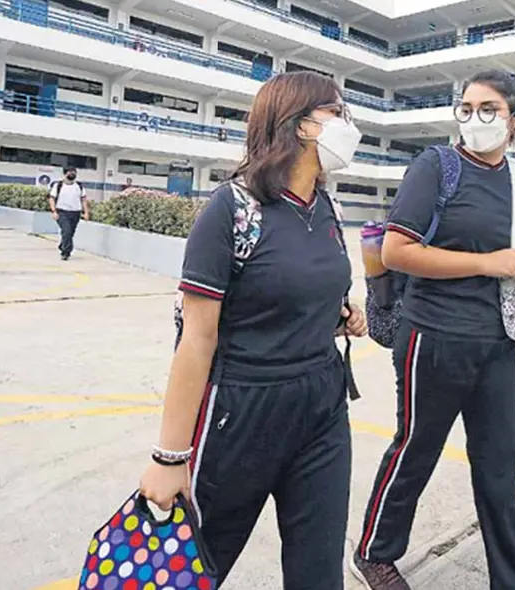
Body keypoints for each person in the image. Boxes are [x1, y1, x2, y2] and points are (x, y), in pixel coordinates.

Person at [139, 71, 368, 589]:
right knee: (194, 569)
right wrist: (168, 458)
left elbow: (299, 287)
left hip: (322, 406)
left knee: (319, 573)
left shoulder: (326, 207)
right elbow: (197, 337)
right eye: (337, 112)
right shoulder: (232, 209)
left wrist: (338, 314)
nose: (347, 125)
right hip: (241, 411)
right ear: (301, 125)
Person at [352, 70, 515, 590]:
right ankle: (376, 552)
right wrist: (487, 263)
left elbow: (511, 248)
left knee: (498, 465)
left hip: (498, 341)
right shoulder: (436, 167)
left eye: (489, 109)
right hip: (432, 336)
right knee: (416, 448)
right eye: (466, 108)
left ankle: (512, 581)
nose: (474, 119)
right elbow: (399, 251)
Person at [48, 167, 90, 261]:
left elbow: (84, 200)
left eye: (74, 172)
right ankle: (65, 253)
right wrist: (54, 211)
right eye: (70, 172)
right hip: (62, 212)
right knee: (66, 231)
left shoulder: (79, 186)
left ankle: (63, 245)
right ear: (65, 174)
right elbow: (52, 198)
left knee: (70, 233)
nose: (72, 174)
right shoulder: (58, 185)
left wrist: (86, 212)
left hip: (76, 213)